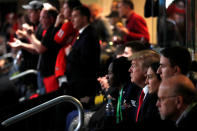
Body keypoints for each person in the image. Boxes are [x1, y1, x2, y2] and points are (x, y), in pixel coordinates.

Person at [8, 4, 61, 94]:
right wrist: (25, 37)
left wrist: (26, 38)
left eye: (31, 12)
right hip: (43, 71)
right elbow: (36, 45)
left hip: (50, 72)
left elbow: (40, 48)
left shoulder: (51, 29)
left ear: (51, 19)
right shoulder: (45, 28)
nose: (29, 15)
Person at [128, 49, 161, 128]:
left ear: (146, 71)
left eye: (133, 65)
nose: (129, 70)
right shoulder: (140, 92)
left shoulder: (155, 97)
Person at [53, 0, 82, 87]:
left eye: (65, 8)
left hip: (64, 64)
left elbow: (56, 40)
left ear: (71, 10)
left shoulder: (68, 25)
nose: (62, 10)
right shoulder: (70, 24)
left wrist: (57, 24)